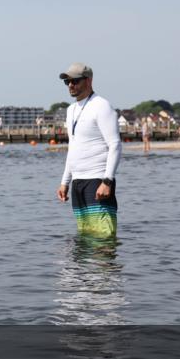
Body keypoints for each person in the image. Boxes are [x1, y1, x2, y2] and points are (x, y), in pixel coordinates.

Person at [55, 63, 121, 239]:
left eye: (75, 81)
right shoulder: (71, 110)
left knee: (103, 239)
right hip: (78, 182)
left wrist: (107, 181)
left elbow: (115, 144)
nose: (70, 85)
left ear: (88, 80)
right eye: (67, 82)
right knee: (85, 238)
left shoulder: (102, 106)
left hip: (97, 180)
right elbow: (73, 147)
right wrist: (65, 182)